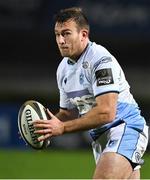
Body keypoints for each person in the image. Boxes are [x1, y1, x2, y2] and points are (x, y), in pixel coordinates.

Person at [33, 7, 149, 179]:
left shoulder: (100, 60)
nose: (60, 40)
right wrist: (45, 127)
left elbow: (106, 112)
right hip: (101, 138)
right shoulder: (63, 69)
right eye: (57, 34)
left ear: (83, 35)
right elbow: (67, 112)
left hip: (125, 127)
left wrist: (62, 128)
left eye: (66, 33)